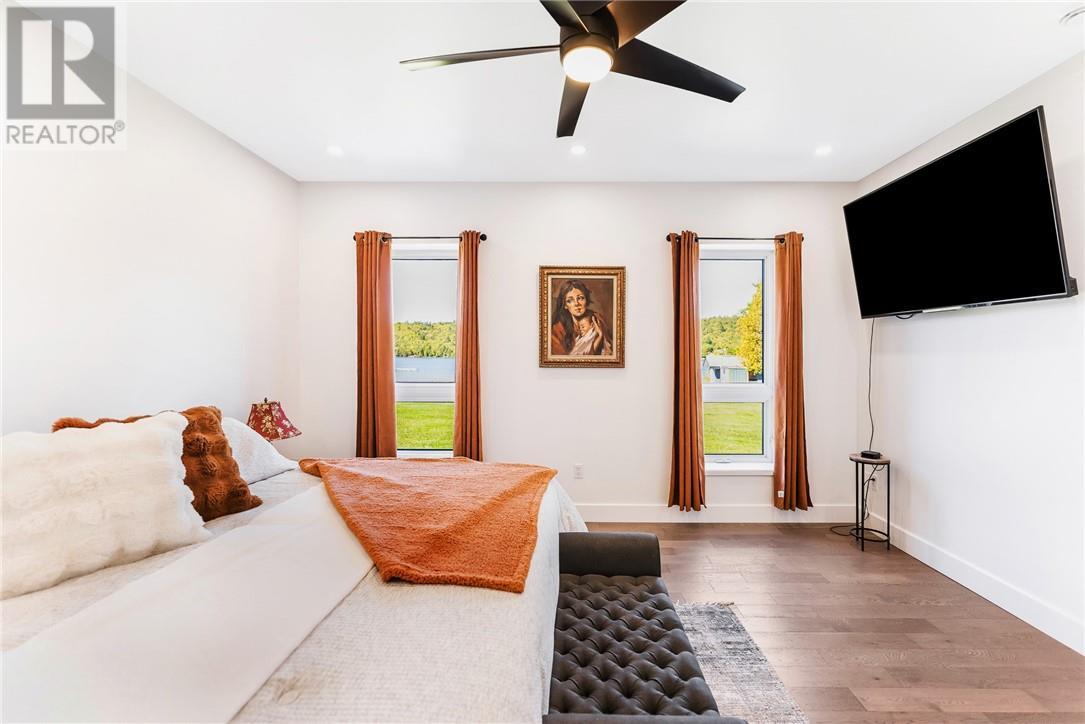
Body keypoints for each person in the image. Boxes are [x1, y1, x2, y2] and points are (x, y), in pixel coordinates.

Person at [550, 279, 613, 356]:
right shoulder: (558, 330)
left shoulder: (597, 320)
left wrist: (600, 335)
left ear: (586, 300)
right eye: (570, 300)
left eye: (580, 298)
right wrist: (599, 337)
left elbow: (609, 352)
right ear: (565, 305)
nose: (577, 304)